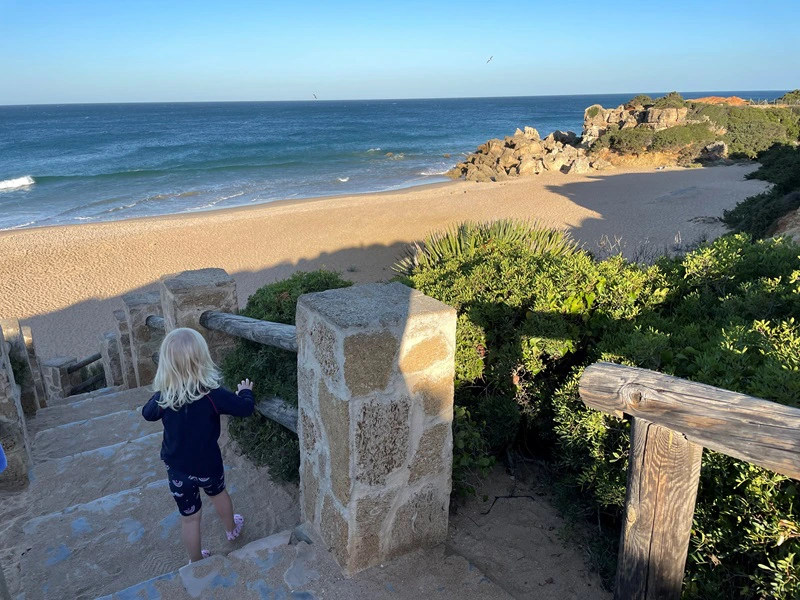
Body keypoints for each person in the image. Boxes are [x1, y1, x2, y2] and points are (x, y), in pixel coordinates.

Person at [142, 327, 255, 562]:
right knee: (218, 494)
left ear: (166, 365)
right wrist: (246, 393)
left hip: (177, 469)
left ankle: (195, 561)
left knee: (190, 518)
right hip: (208, 466)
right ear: (202, 359)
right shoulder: (212, 394)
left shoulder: (164, 397)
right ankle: (231, 528)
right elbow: (245, 409)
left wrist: (163, 390)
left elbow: (147, 413)